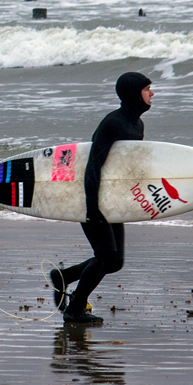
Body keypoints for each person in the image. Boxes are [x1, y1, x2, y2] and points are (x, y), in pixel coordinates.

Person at [50, 72, 154, 325]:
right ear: (133, 93)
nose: (152, 93)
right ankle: (74, 310)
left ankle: (63, 277)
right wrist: (92, 206)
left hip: (112, 199)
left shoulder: (136, 125)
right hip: (92, 197)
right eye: (147, 89)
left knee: (115, 261)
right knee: (106, 256)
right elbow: (93, 166)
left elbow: (122, 169)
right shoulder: (113, 123)